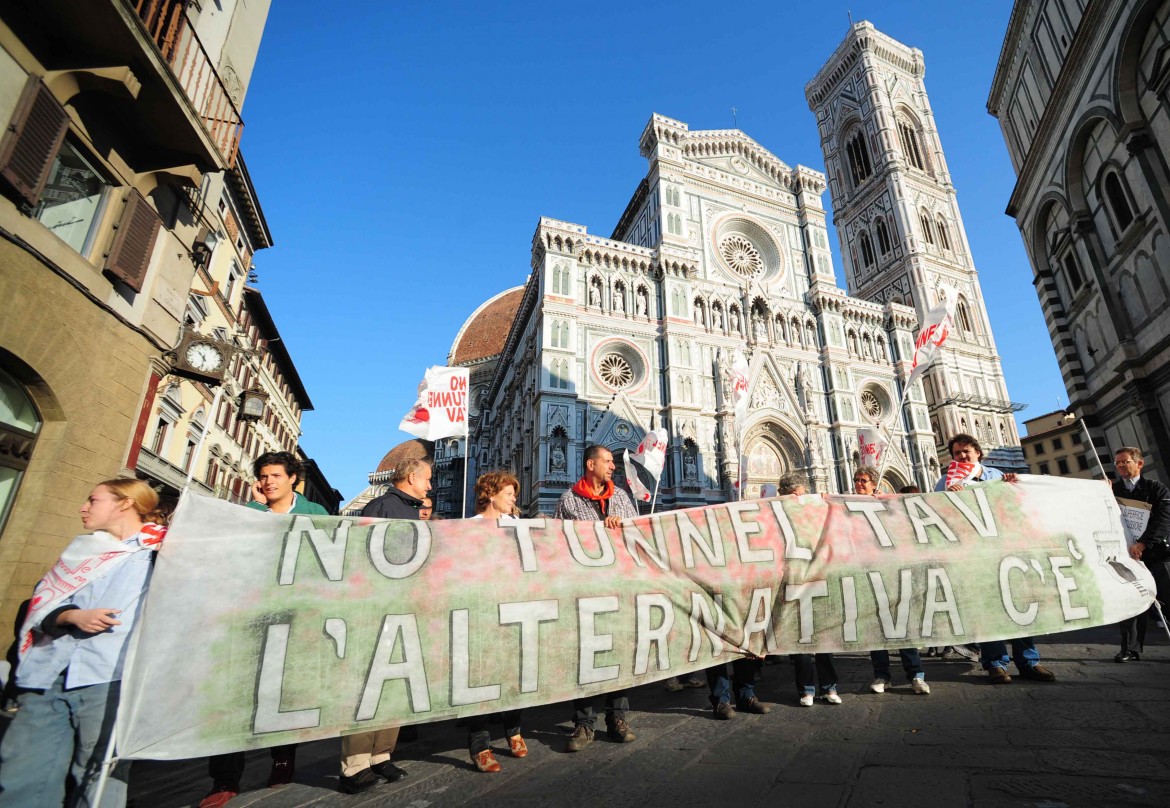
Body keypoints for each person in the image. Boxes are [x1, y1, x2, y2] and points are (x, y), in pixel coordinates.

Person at [0, 479, 166, 808]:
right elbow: (41, 604)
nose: (83, 507)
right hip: (49, 674)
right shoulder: (83, 550)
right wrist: (71, 617)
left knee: (100, 779)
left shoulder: (162, 550)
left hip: (111, 678)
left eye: (93, 500)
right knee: (23, 773)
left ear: (125, 504)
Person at [201, 451, 327, 807]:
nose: (268, 481)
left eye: (275, 475)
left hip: (293, 617)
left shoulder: (316, 515)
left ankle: (283, 757)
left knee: (281, 694)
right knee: (233, 697)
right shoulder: (248, 513)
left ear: (292, 479)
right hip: (245, 617)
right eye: (264, 475)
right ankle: (224, 780)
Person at [331, 459, 433, 793]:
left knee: (394, 686)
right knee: (368, 688)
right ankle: (354, 766)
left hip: (403, 606)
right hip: (377, 608)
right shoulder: (382, 506)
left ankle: (380, 756)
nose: (430, 486)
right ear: (412, 477)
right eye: (427, 480)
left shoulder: (412, 510)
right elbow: (364, 555)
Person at [934, 434, 1053, 685]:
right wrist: (947, 497)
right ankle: (996, 663)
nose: (962, 456)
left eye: (966, 451)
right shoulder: (945, 482)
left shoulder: (997, 477)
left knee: (1020, 604)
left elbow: (1018, 508)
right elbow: (934, 516)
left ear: (978, 452)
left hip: (1006, 549)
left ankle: (1029, 662)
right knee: (989, 609)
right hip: (974, 554)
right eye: (957, 454)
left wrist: (1012, 486)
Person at [553, 445, 639, 752]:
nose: (613, 466)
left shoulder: (622, 499)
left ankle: (618, 719)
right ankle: (584, 723)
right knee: (586, 658)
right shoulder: (569, 500)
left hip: (617, 588)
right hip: (584, 591)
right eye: (607, 461)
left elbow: (636, 537)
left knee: (618, 655)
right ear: (590, 464)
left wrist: (620, 528)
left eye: (614, 463)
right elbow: (559, 542)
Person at [464, 471, 528, 772]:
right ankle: (479, 744)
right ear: (490, 494)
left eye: (514, 493)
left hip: (513, 608)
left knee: (512, 672)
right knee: (480, 677)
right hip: (480, 609)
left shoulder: (518, 526)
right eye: (508, 492)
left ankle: (514, 730)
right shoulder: (468, 529)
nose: (514, 497)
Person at [851, 470, 930, 695]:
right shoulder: (849, 505)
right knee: (877, 628)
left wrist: (887, 502)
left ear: (874, 483)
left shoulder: (888, 503)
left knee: (902, 624)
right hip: (867, 572)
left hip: (893, 571)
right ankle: (881, 676)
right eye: (856, 480)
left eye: (863, 481)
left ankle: (916, 675)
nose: (858, 484)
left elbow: (906, 525)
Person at [1111, 447, 1170, 663]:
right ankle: (1129, 649)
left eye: (1125, 462)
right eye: (1117, 463)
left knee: (1168, 598)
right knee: (1131, 602)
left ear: (1139, 464)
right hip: (1128, 557)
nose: (1120, 466)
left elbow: (1163, 520)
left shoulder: (1156, 489)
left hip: (1157, 555)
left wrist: (1144, 544)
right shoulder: (1113, 490)